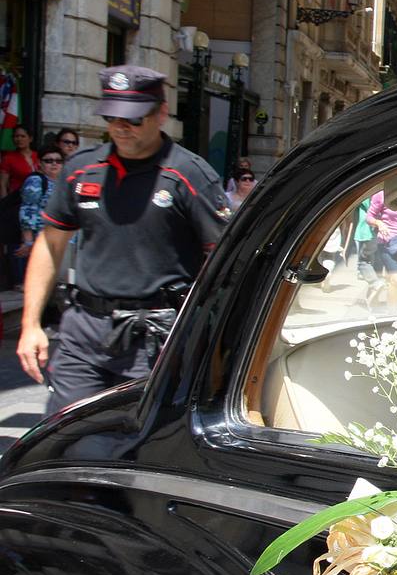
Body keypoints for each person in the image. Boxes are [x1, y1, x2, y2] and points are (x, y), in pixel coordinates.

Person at [16, 66, 230, 413]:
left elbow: (224, 264)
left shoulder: (190, 174)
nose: (121, 127)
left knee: (138, 449)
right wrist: (30, 325)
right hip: (83, 334)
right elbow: (50, 243)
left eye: (133, 118)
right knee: (67, 440)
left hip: (155, 338)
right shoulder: (82, 168)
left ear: (161, 113)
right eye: (113, 117)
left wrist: (211, 344)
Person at [14, 146, 61, 282]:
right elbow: (28, 210)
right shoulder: (36, 180)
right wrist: (28, 241)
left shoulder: (65, 183)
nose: (54, 164)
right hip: (41, 239)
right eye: (49, 161)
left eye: (58, 161)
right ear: (40, 163)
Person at [1, 125, 39, 196]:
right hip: (16, 199)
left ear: (30, 139)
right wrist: (4, 203)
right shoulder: (8, 158)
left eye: (23, 136)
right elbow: (3, 184)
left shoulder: (39, 156)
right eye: (16, 136)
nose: (19, 139)